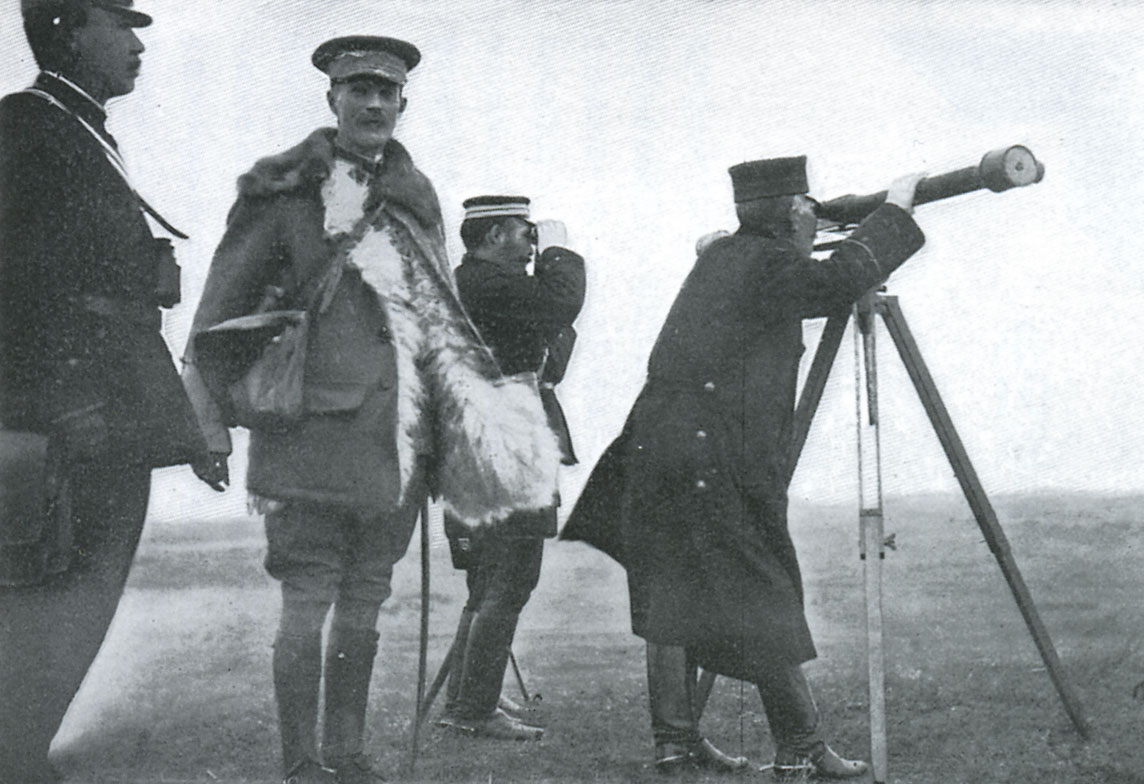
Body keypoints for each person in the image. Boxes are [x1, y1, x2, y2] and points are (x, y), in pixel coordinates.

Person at [180, 38, 561, 784]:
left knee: (365, 599)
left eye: (386, 93)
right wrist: (206, 424)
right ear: (332, 99)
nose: (373, 104)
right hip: (307, 436)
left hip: (396, 444)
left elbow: (440, 323)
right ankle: (302, 765)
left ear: (402, 104)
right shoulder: (283, 194)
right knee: (306, 596)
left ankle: (348, 759)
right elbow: (217, 311)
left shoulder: (416, 201)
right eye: (358, 89)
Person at [561, 156, 925, 777]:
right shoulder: (766, 262)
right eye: (807, 209)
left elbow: (800, 278)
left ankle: (675, 743)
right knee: (762, 591)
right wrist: (895, 210)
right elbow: (834, 282)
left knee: (672, 591)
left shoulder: (729, 256)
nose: (812, 218)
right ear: (791, 213)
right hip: (708, 456)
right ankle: (800, 747)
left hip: (660, 448)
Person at [0, 2, 206, 782]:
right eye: (117, 24)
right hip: (75, 422)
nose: (135, 41)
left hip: (110, 412)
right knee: (52, 609)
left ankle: (22, 755)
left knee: (78, 609)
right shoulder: (28, 126)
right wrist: (60, 407)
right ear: (66, 32)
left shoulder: (76, 127)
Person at [438, 196, 585, 740]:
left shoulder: (470, 283)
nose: (531, 246)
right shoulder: (489, 285)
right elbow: (561, 304)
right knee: (513, 574)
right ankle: (474, 709)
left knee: (487, 579)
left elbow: (551, 341)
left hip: (481, 436)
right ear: (496, 235)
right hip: (508, 438)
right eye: (525, 234)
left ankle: (468, 696)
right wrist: (561, 251)